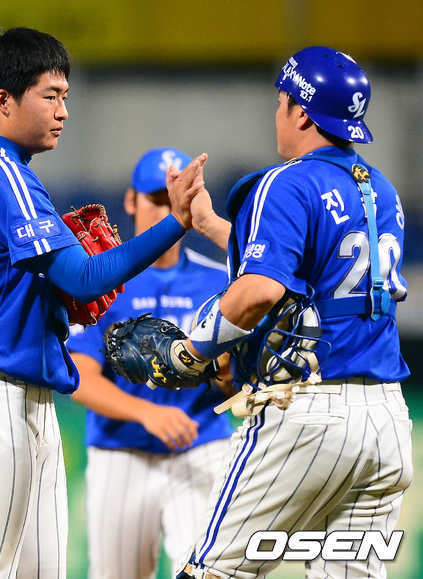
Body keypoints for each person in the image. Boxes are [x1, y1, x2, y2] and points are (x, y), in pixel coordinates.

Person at [0, 27, 207, 578]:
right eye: (50, 95)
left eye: (66, 96)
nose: (63, 111)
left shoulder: (12, 176)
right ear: (4, 100)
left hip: (28, 402)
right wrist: (175, 222)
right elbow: (84, 278)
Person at [170, 46, 414, 578]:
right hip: (388, 422)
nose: (278, 111)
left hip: (309, 413)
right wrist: (208, 224)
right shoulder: (381, 190)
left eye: (282, 101)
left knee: (212, 571)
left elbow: (260, 288)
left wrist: (190, 352)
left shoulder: (288, 181)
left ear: (301, 111)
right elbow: (301, 265)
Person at [67, 147, 234, 579]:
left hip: (203, 445)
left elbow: (233, 382)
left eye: (175, 199)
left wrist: (228, 375)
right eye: (156, 199)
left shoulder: (218, 279)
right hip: (122, 452)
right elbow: (80, 378)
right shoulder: (106, 280)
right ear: (131, 201)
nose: (166, 208)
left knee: (211, 572)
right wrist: (148, 413)